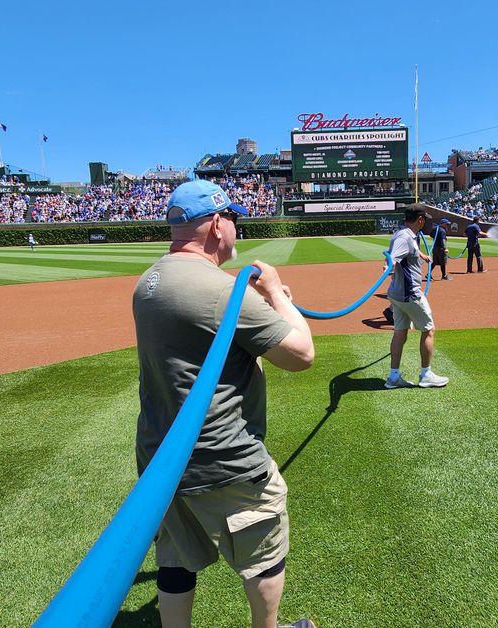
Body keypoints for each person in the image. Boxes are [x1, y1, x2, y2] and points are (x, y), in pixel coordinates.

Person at [132, 179, 316, 628]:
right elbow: (301, 356)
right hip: (225, 458)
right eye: (233, 219)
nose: (236, 228)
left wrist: (256, 304)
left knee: (176, 557)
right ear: (217, 224)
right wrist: (275, 294)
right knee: (263, 555)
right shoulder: (219, 291)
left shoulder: (148, 281)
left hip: (161, 457)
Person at [385, 206, 449, 389]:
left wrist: (421, 255)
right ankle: (426, 375)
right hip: (410, 294)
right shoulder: (404, 237)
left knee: (400, 332)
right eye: (425, 219)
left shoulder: (407, 235)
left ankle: (394, 377)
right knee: (429, 330)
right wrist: (388, 266)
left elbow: (408, 250)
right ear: (420, 219)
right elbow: (393, 258)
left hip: (398, 294)